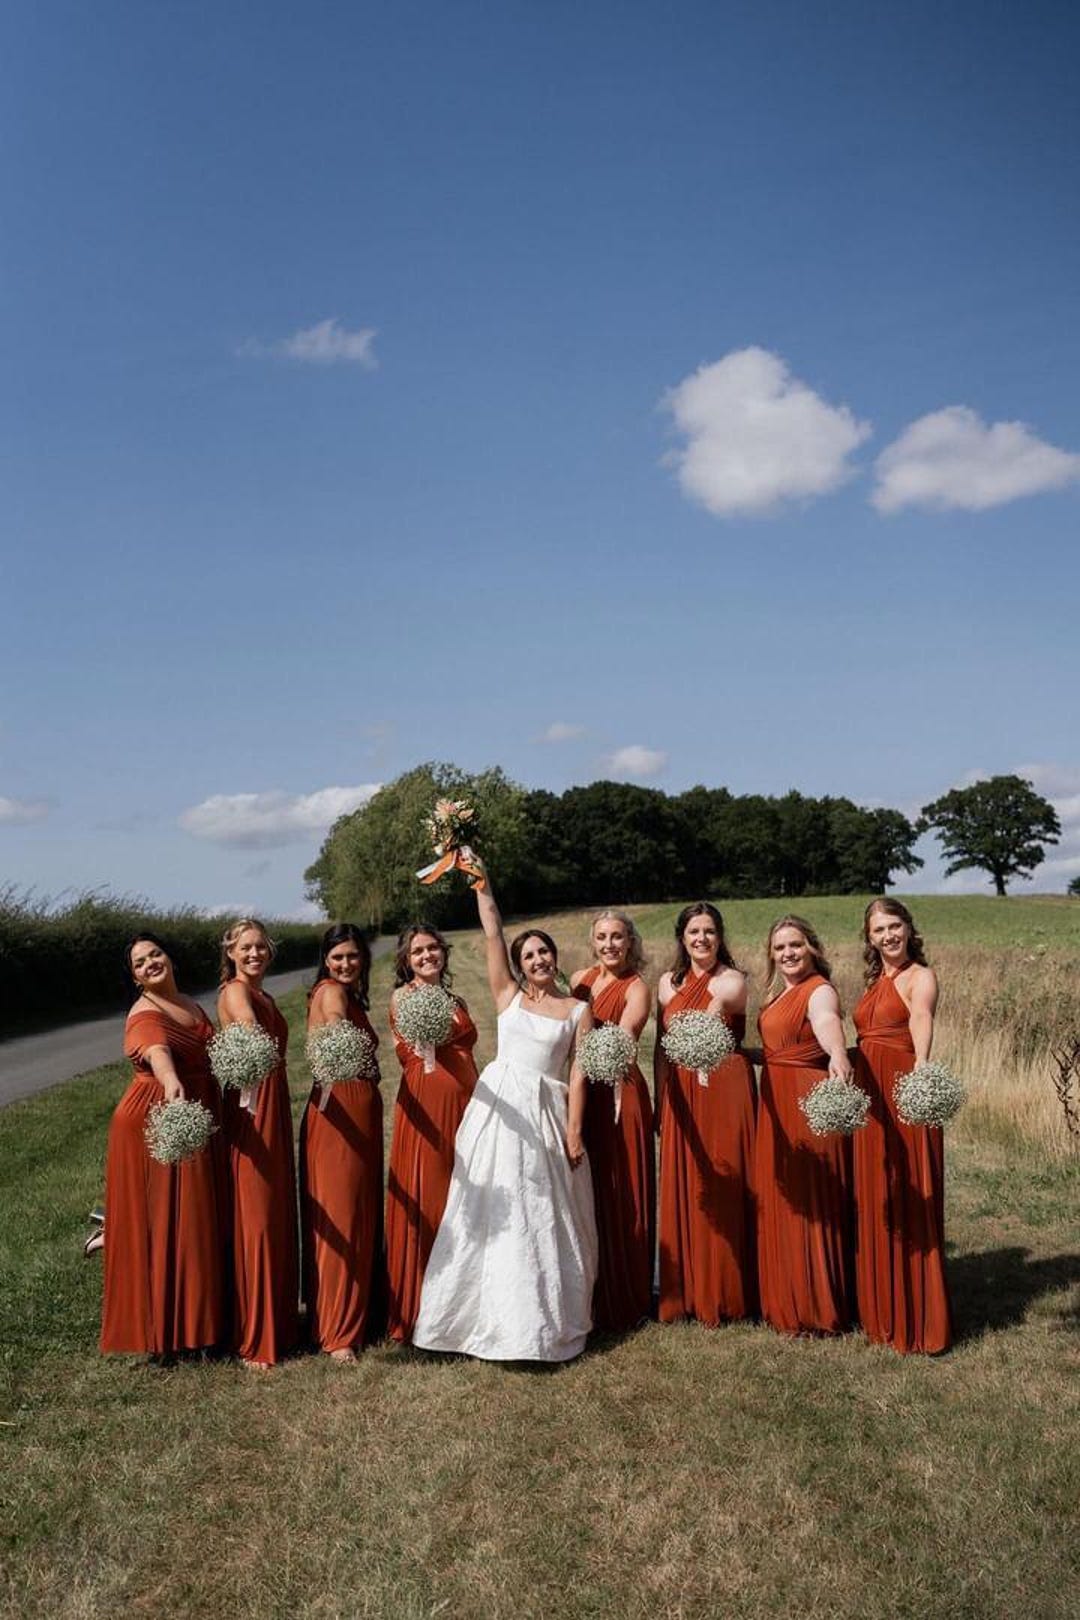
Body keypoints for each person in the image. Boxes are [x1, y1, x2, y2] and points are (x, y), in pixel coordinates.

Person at [413, 864, 598, 1361]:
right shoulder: (507, 997)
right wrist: (483, 883)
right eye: (529, 953)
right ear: (518, 964)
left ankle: (541, 1324)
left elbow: (579, 1071)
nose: (538, 958)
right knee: (493, 1208)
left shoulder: (579, 1010)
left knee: (541, 1212)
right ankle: (475, 1322)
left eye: (544, 951)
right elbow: (493, 929)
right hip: (499, 1114)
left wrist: (575, 1131)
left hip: (546, 1115)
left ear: (555, 958)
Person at [100, 934, 225, 1357]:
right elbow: (157, 1051)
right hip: (159, 1120)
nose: (151, 963)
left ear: (169, 957)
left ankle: (199, 1321)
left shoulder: (190, 1002)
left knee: (195, 1217)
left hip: (194, 1113)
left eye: (155, 954)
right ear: (135, 978)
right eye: (140, 962)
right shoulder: (144, 1013)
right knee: (173, 1220)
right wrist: (171, 1079)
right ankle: (173, 1333)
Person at [852, 899, 952, 1353]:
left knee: (912, 1187)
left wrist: (922, 1071)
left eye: (895, 926)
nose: (888, 936)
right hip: (870, 1092)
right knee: (877, 1192)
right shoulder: (877, 981)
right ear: (869, 938)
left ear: (910, 929)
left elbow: (921, 1017)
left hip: (903, 1087)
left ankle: (918, 1316)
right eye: (879, 930)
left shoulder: (919, 977)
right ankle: (880, 1309)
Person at [654, 902, 757, 1326]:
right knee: (688, 1184)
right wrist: (661, 1101)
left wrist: (709, 1016)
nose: (702, 939)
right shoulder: (666, 983)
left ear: (720, 936)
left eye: (710, 931)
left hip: (726, 1089)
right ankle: (687, 1290)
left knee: (728, 1181)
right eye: (694, 932)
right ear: (682, 938)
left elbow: (723, 1001)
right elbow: (661, 1046)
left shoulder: (733, 979)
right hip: (682, 1091)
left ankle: (731, 1292)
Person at [754, 915, 854, 1336]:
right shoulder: (780, 994)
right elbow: (779, 1051)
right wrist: (740, 1054)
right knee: (783, 1198)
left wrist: (838, 1055)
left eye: (795, 945)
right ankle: (785, 1298)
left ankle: (816, 1307)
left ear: (812, 947)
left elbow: (827, 1023)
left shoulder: (819, 991)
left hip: (806, 1101)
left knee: (810, 1200)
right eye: (779, 948)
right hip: (775, 1099)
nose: (788, 954)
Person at [385, 922, 478, 1343]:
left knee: (466, 1195)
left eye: (433, 948)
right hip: (427, 1105)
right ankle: (422, 1308)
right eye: (418, 951)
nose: (427, 956)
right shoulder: (403, 998)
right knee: (433, 1193)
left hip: (465, 1103)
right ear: (406, 960)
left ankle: (464, 1303)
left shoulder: (454, 998)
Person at [217, 918, 299, 1370]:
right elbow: (247, 1028)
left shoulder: (264, 993)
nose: (255, 954)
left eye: (260, 946)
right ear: (230, 952)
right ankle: (256, 1333)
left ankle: (280, 1322)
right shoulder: (235, 992)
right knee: (258, 1215)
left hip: (273, 1098)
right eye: (246, 947)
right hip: (252, 1107)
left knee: (275, 1209)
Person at [299, 924, 383, 1361]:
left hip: (362, 1112)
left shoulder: (351, 995)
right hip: (339, 1116)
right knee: (342, 1215)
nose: (345, 964)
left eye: (352, 956)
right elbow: (331, 1022)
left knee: (360, 1212)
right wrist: (337, 1036)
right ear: (326, 961)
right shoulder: (331, 993)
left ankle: (355, 1314)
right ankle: (337, 1334)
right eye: (337, 957)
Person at [571, 912, 655, 1332]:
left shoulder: (638, 987)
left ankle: (625, 1293)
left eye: (617, 937)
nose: (609, 945)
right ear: (593, 941)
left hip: (620, 1091)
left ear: (629, 941)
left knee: (623, 1188)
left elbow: (626, 1034)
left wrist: (594, 1055)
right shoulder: (579, 981)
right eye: (602, 937)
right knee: (588, 1187)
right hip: (584, 1092)